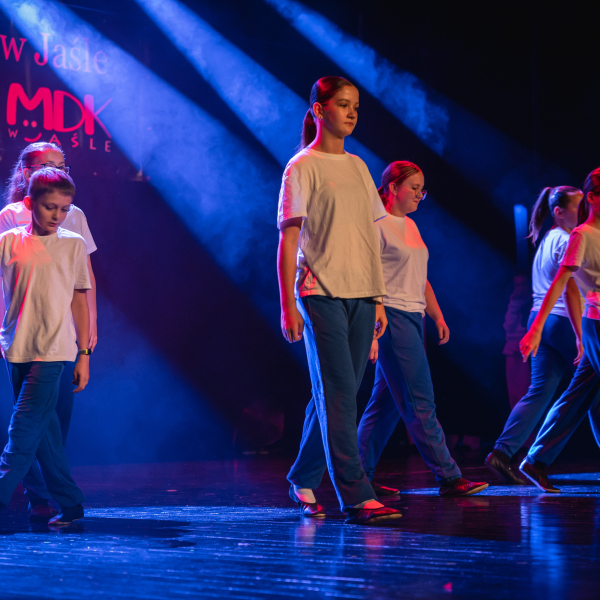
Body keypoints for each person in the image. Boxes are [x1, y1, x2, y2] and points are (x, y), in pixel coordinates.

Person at [277, 76, 401, 525]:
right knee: (339, 395)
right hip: (320, 293)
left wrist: (379, 298)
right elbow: (289, 240)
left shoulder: (359, 167)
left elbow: (370, 238)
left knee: (335, 393)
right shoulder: (302, 167)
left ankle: (303, 477)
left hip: (362, 294)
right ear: (319, 110)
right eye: (343, 104)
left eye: (356, 106)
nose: (351, 113)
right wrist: (288, 304)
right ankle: (356, 495)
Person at [356, 161, 489, 497]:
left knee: (385, 404)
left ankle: (359, 478)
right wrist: (375, 322)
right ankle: (449, 476)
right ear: (392, 187)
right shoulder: (376, 224)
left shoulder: (411, 225)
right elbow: (367, 277)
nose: (419, 194)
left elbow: (420, 277)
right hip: (392, 316)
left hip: (414, 316)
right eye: (414, 188)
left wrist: (438, 316)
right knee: (419, 400)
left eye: (422, 190)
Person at [0, 141, 98, 522]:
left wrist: (84, 354)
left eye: (64, 209)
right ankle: (71, 503)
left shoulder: (72, 245)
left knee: (23, 427)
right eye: (49, 208)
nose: (58, 216)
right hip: (16, 346)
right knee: (46, 432)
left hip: (54, 349)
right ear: (30, 203)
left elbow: (80, 299)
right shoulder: (9, 239)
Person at [485, 186, 585, 484]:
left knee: (540, 392)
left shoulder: (547, 240)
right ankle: (536, 457)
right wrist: (581, 335)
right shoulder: (566, 240)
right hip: (563, 321)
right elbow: (569, 289)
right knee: (590, 388)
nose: (583, 211)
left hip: (542, 320)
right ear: (559, 212)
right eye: (578, 206)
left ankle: (502, 453)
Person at [519, 168, 600, 491]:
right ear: (592, 197)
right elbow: (560, 284)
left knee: (582, 392)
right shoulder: (581, 235)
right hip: (596, 322)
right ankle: (533, 458)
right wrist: (536, 328)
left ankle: (536, 459)